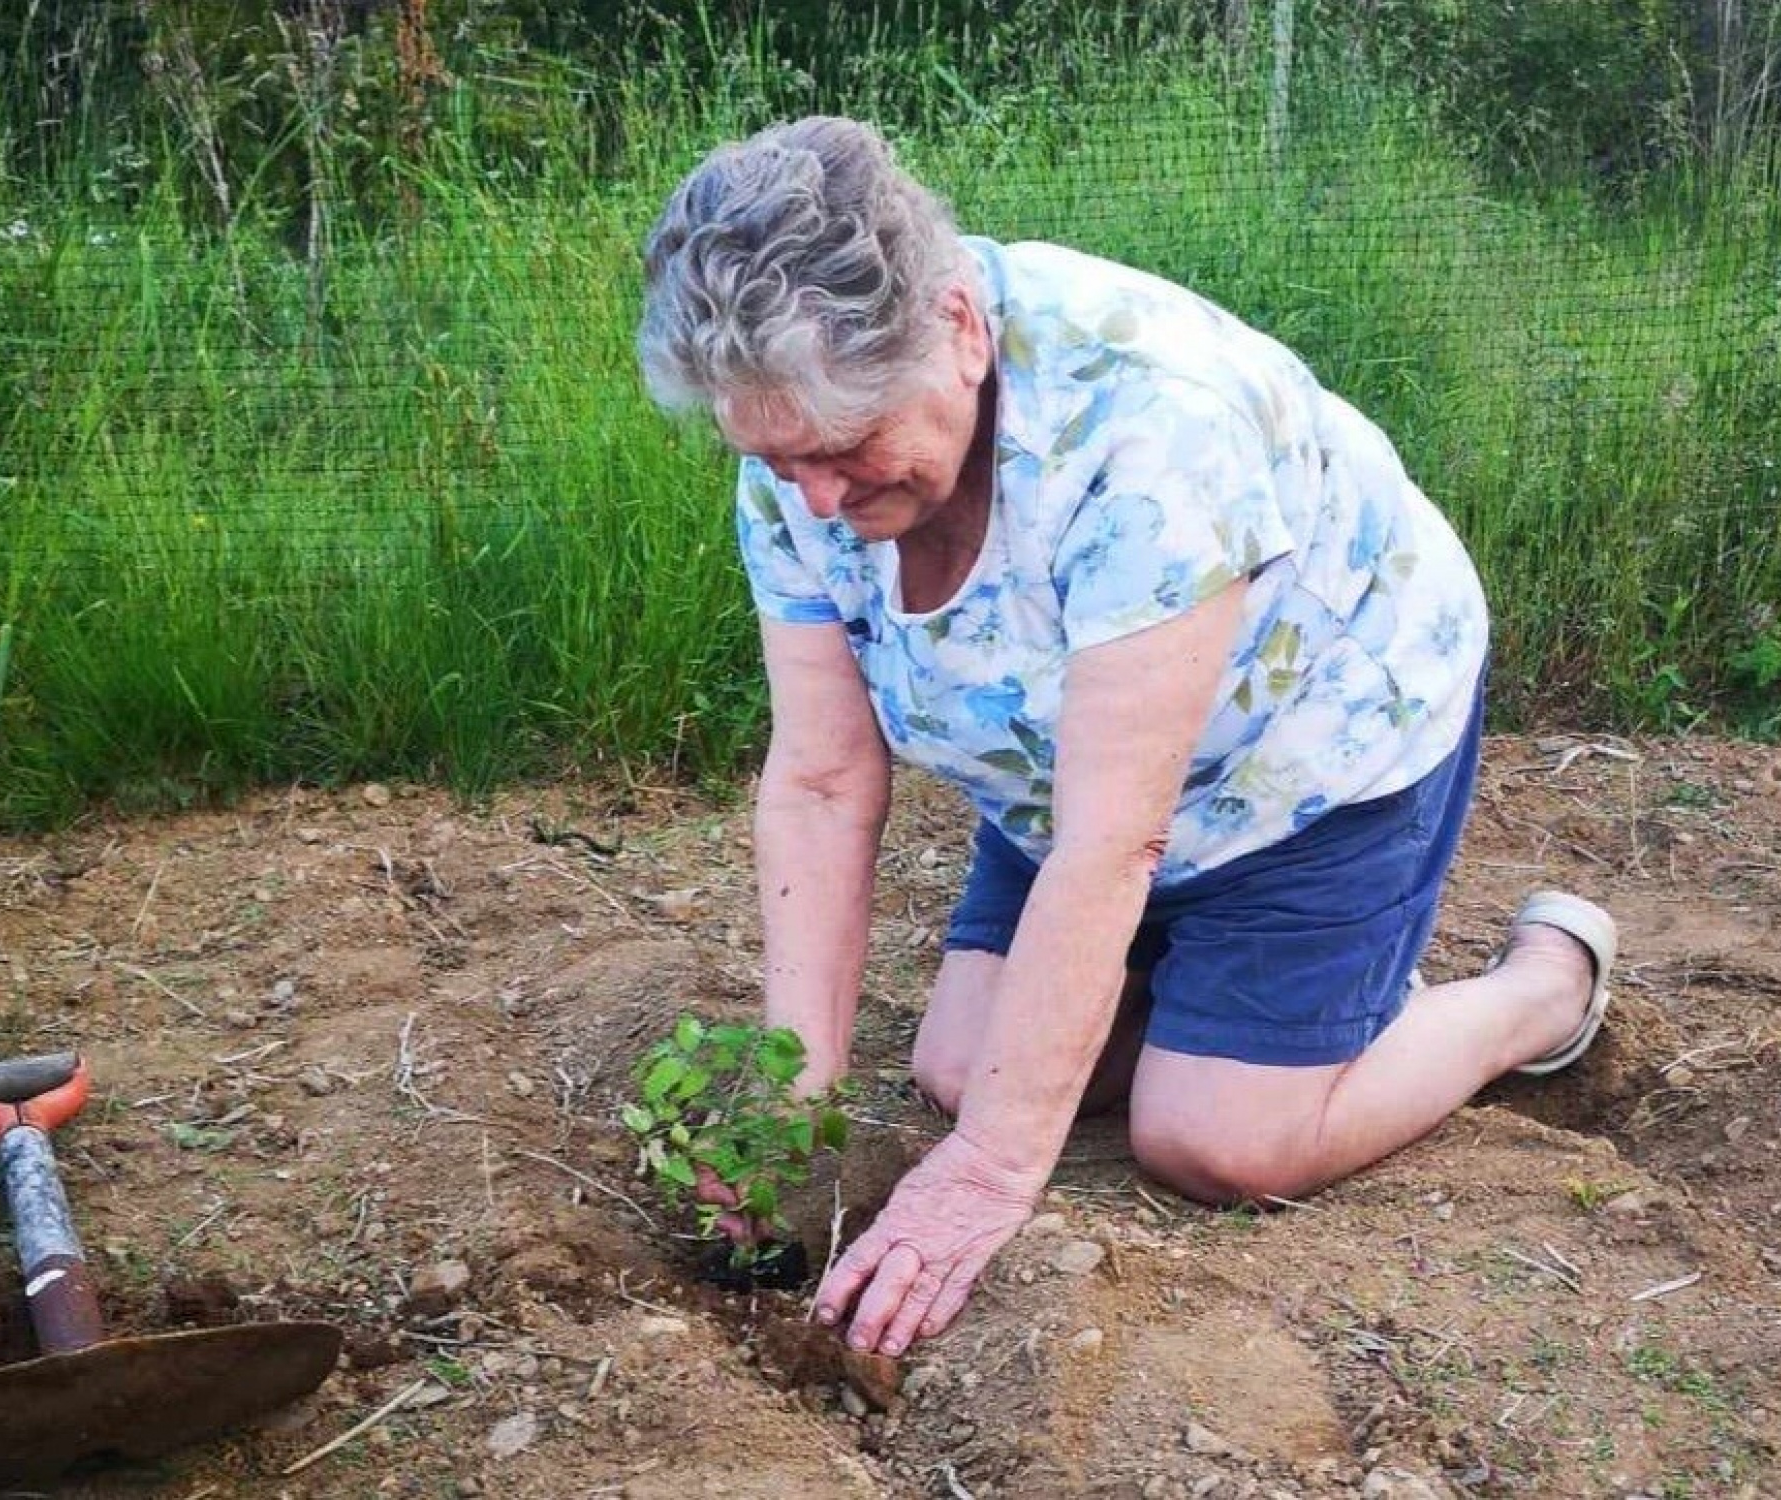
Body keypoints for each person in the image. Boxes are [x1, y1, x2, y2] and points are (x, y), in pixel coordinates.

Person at [634, 116, 1617, 1360]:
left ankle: (1533, 993)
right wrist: (793, 1102)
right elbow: (824, 781)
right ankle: (1240, 995)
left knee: (1212, 1140)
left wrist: (990, 1170)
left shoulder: (1150, 430)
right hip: (1062, 770)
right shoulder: (800, 444)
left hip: (1303, 758)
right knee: (957, 1066)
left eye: (840, 452)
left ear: (957, 329)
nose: (814, 502)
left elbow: (1112, 841)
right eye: (776, 461)